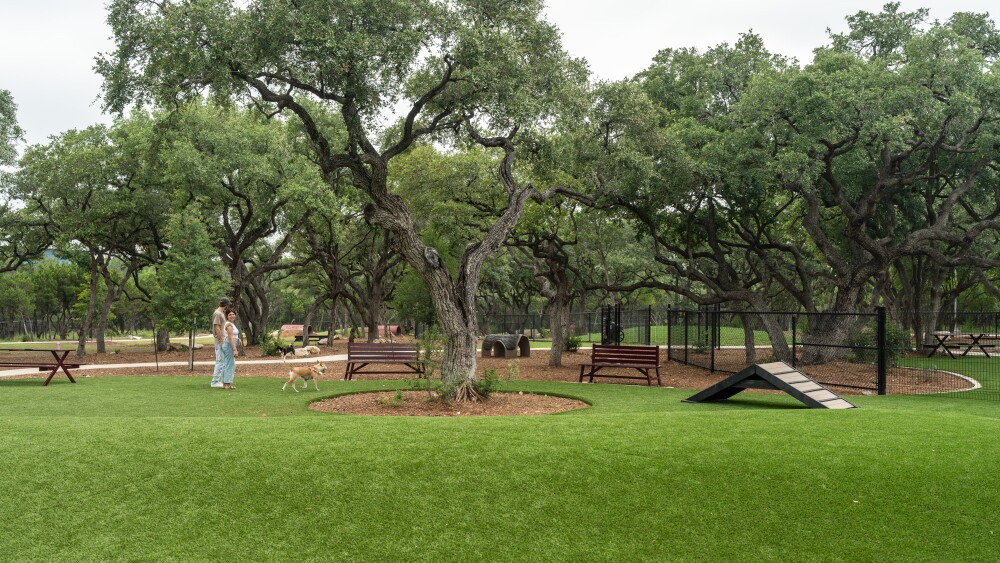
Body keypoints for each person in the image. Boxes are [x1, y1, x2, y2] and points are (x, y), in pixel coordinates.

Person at [210, 297, 230, 389]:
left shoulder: (220, 313)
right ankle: (215, 382)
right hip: (219, 341)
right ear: (226, 305)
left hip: (221, 340)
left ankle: (217, 380)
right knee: (220, 361)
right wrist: (221, 339)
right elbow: (217, 327)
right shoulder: (218, 313)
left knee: (222, 361)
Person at [220, 309, 240, 390]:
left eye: (233, 314)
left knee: (227, 363)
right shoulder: (228, 325)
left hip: (229, 344)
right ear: (227, 316)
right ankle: (227, 384)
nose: (232, 316)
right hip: (229, 345)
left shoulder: (231, 324)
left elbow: (231, 336)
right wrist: (235, 349)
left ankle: (225, 383)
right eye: (230, 315)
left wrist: (238, 339)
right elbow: (231, 338)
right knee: (230, 364)